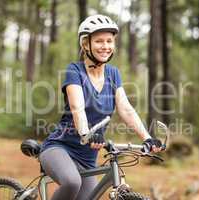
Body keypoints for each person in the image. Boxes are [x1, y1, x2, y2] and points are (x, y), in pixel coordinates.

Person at [39, 14, 163, 200]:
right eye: (99, 41)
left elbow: (126, 109)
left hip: (88, 158)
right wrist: (86, 133)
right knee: (72, 182)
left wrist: (147, 137)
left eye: (109, 41)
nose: (105, 46)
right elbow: (77, 107)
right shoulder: (75, 71)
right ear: (85, 44)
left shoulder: (113, 74)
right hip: (60, 147)